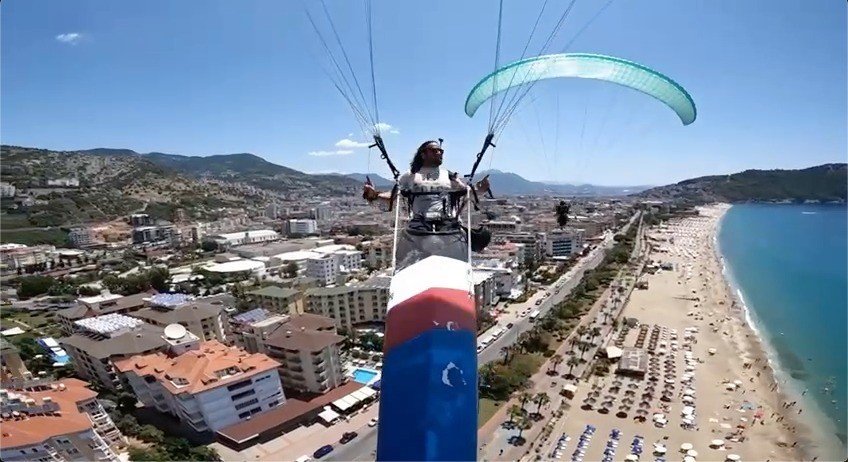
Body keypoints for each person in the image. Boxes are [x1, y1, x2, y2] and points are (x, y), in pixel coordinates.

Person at [363, 140, 491, 232]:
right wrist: (374, 195)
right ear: (423, 154)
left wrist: (480, 190)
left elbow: (466, 193)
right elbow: (393, 196)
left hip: (449, 228)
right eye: (435, 150)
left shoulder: (450, 176)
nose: (439, 153)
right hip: (419, 228)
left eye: (441, 151)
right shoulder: (409, 176)